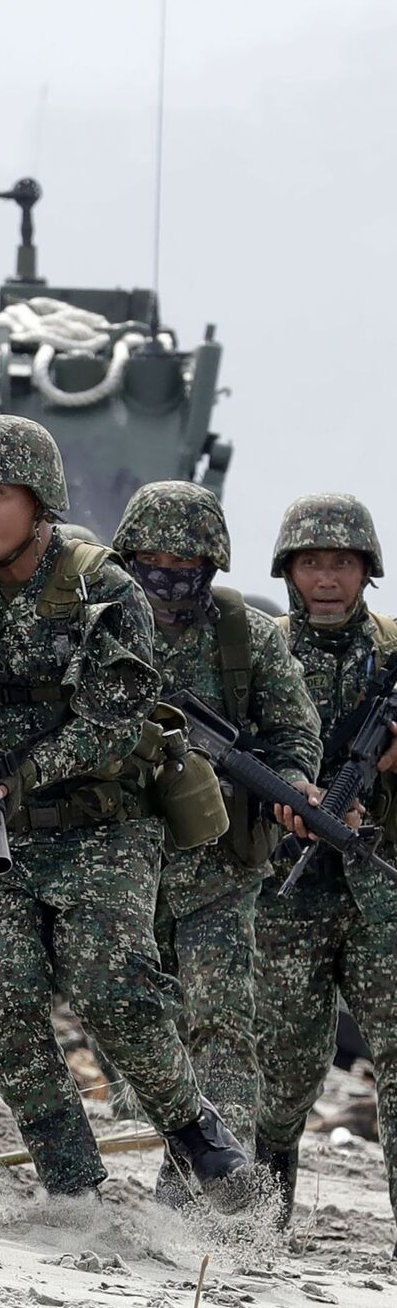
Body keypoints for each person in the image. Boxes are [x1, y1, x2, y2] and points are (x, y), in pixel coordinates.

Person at [0, 416, 253, 1206]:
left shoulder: (104, 585)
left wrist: (24, 771)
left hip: (103, 827)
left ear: (39, 503)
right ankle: (71, 1186)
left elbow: (115, 719)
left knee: (115, 991)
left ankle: (193, 1130)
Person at [111, 480, 320, 1205]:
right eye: (154, 561)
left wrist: (293, 784)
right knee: (132, 1024)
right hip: (113, 867)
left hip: (219, 869)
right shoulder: (95, 624)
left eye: (186, 563)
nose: (169, 576)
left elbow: (293, 732)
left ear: (212, 563)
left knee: (223, 1023)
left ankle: (205, 1194)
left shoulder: (247, 636)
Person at [253, 493, 397, 1235]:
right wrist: (284, 795)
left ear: (367, 570)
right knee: (284, 1071)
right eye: (312, 562)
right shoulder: (261, 650)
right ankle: (263, 1217)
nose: (328, 578)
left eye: (343, 562)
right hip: (287, 894)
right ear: (289, 571)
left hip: (382, 894)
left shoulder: (393, 650)